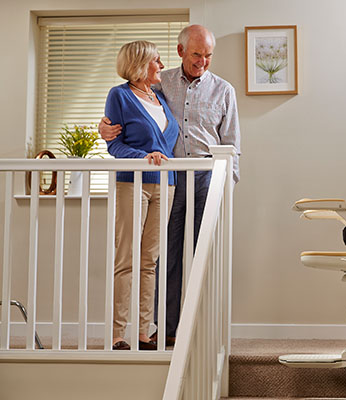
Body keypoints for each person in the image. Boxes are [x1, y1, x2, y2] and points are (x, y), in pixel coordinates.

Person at [100, 25, 241, 347]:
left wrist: (228, 183)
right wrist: (104, 127)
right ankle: (165, 329)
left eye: (207, 56)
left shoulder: (223, 90)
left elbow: (233, 144)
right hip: (169, 179)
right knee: (166, 256)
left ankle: (204, 328)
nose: (202, 61)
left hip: (205, 177)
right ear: (181, 52)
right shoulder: (162, 84)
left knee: (205, 254)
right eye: (196, 54)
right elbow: (128, 112)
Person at [104, 40, 179, 350]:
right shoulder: (119, 95)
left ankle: (143, 332)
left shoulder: (161, 97)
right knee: (127, 259)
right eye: (156, 61)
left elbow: (167, 142)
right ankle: (117, 334)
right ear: (139, 64)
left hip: (167, 184)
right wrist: (142, 156)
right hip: (132, 182)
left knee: (150, 262)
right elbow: (114, 146)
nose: (161, 66)